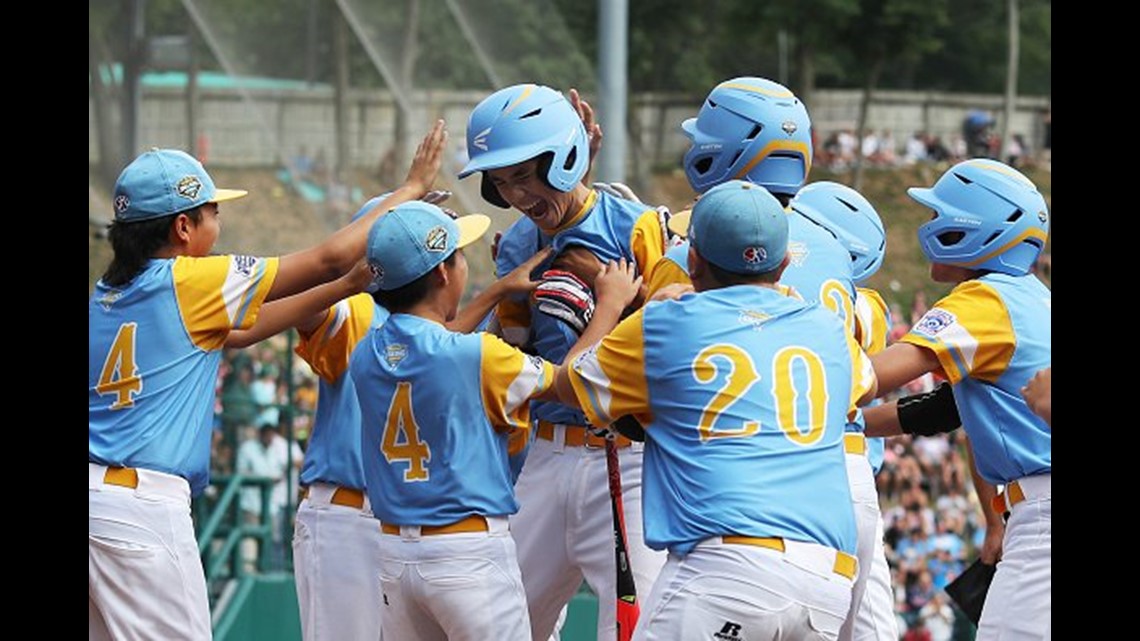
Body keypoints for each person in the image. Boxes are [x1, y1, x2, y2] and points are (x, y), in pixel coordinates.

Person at [89, 122, 446, 641]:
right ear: (182, 228)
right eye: (213, 213)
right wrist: (409, 190)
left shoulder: (104, 295)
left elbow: (241, 332)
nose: (219, 224)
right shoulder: (191, 279)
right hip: (143, 509)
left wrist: (343, 287)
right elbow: (327, 257)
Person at [223, 193, 555, 641]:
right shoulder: (353, 309)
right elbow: (280, 315)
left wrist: (494, 293)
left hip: (400, 527)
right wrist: (348, 269)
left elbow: (434, 343)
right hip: (347, 514)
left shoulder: (418, 334)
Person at [558, 180, 878, 641]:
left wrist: (612, 306)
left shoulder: (666, 323)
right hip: (826, 583)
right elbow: (863, 389)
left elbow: (571, 383)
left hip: (725, 569)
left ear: (692, 261)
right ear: (784, 264)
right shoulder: (828, 330)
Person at [349, 201, 642, 641]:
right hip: (468, 553)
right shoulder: (478, 356)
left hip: (394, 556)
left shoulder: (365, 353)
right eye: (459, 255)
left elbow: (431, 343)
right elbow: (570, 381)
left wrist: (497, 293)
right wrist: (608, 307)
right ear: (442, 273)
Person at [458, 82, 669, 641]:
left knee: (639, 627)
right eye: (501, 182)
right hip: (547, 452)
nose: (516, 195)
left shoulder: (639, 227)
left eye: (524, 175)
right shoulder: (516, 245)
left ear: (567, 157)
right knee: (500, 624)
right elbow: (518, 351)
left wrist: (616, 296)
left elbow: (679, 332)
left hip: (629, 458)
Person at [863, 158, 1050, 640]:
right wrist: (853, 424)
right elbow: (944, 408)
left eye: (939, 214)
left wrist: (794, 389)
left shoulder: (986, 299)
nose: (930, 225)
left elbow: (875, 375)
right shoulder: (1032, 296)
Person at [789, 180, 900, 641]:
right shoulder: (872, 305)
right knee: (871, 628)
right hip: (854, 471)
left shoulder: (855, 303)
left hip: (807, 462)